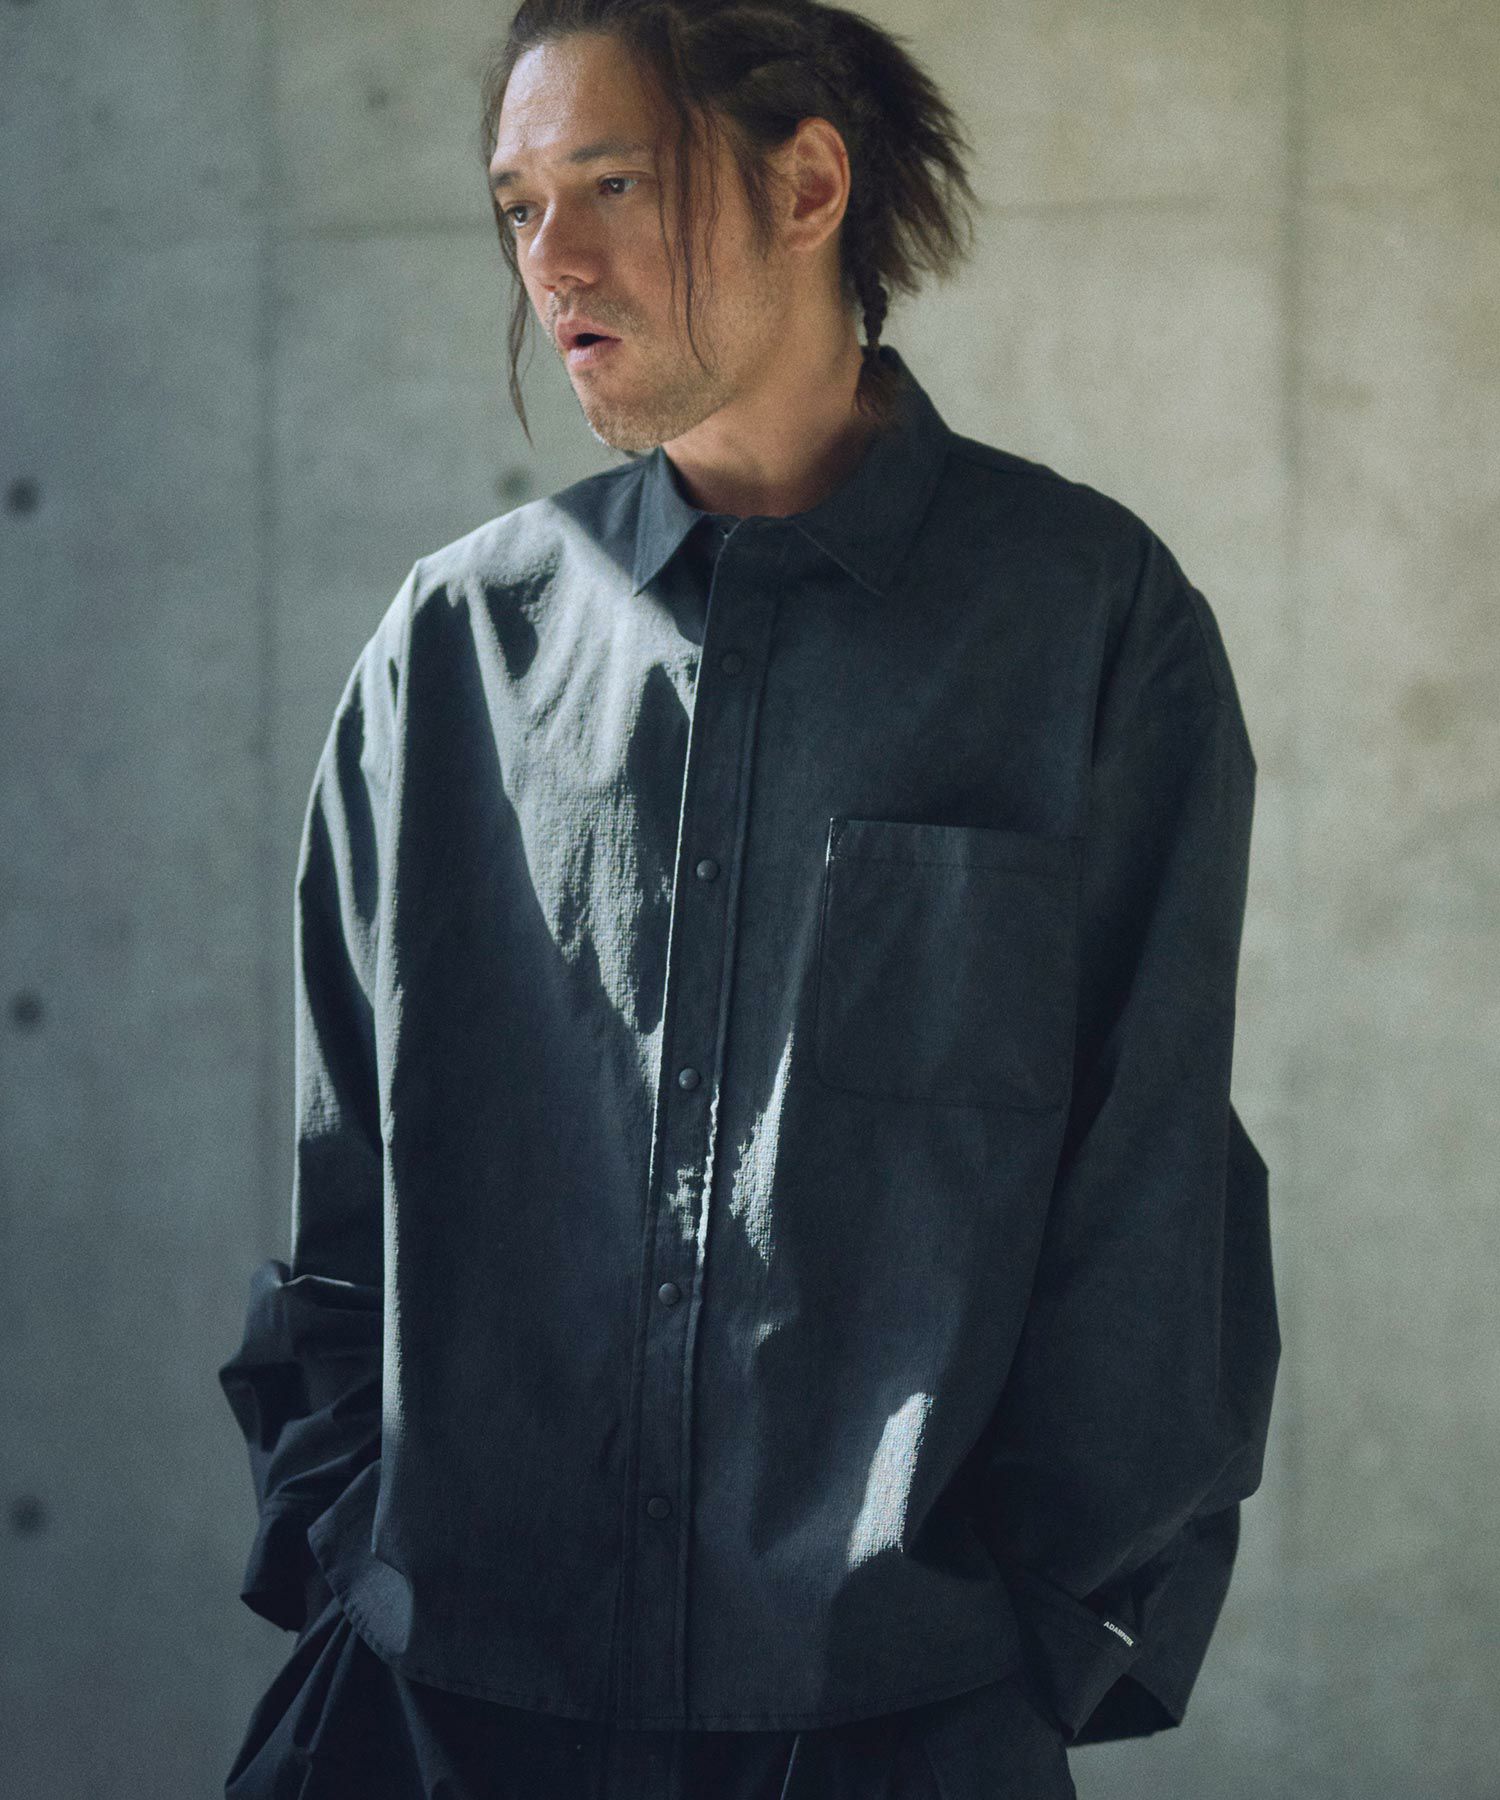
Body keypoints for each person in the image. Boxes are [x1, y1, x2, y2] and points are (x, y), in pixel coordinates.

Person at [218, 2, 1281, 1795]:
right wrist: (347, 1562)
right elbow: (342, 1206)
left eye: (612, 184)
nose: (551, 259)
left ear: (807, 187)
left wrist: (1027, 1649)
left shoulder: (1090, 628)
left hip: (890, 1726)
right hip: (434, 1716)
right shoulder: (452, 652)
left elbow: (1154, 1200)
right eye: (519, 205)